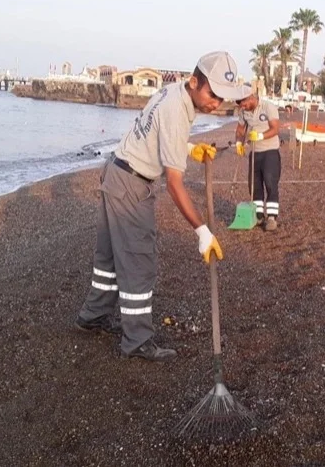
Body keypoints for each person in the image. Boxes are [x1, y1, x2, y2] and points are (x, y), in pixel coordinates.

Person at [75, 51, 248, 362]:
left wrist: (189, 147)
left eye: (223, 98)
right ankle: (137, 341)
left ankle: (93, 316)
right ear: (195, 82)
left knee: (110, 259)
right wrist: (202, 231)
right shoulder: (176, 108)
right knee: (139, 262)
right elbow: (174, 183)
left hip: (116, 173)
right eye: (213, 94)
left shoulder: (174, 92)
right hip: (130, 184)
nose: (216, 104)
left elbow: (161, 134)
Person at [234, 90, 282, 231]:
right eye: (240, 104)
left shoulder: (268, 107)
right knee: (254, 185)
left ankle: (272, 217)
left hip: (270, 151)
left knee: (270, 183)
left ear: (251, 97)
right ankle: (259, 215)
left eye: (243, 103)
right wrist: (239, 142)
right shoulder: (244, 112)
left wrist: (260, 136)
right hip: (255, 152)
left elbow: (275, 129)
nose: (242, 106)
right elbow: (240, 130)